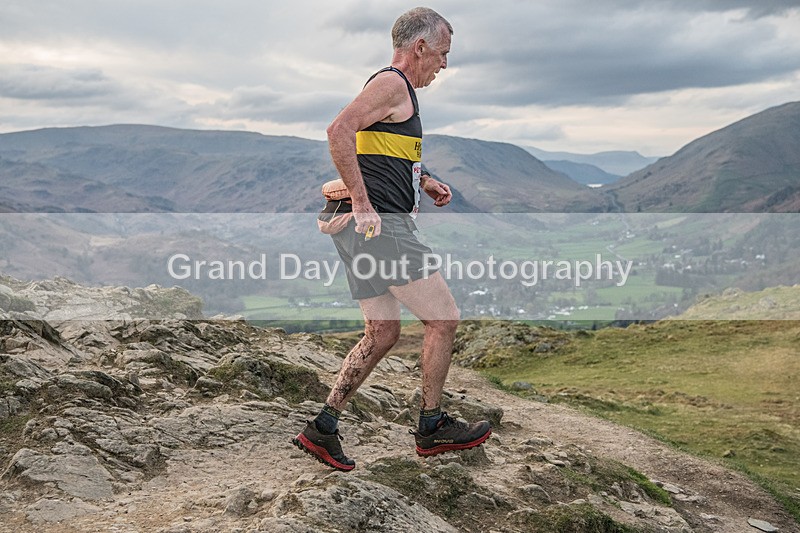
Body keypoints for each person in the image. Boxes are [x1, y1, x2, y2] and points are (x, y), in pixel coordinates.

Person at [292, 7, 491, 472]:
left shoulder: (394, 92)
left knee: (383, 332)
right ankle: (432, 426)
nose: (443, 65)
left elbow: (380, 151)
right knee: (444, 319)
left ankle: (323, 428)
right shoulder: (392, 84)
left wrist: (425, 180)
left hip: (361, 229)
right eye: (441, 54)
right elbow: (338, 131)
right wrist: (363, 204)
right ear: (419, 47)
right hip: (381, 225)